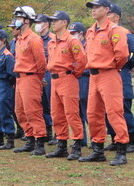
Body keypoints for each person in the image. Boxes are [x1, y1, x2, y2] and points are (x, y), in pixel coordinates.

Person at [78, 0, 130, 166]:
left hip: (109, 74)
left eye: (97, 7)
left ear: (107, 9)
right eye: (92, 7)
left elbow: (122, 55)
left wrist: (111, 67)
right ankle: (97, 149)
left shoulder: (115, 30)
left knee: (114, 112)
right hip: (93, 76)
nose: (93, 9)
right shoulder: (90, 31)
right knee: (93, 114)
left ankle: (121, 149)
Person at [46, 11, 86, 160]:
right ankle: (61, 144)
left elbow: (81, 61)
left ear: (64, 22)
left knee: (71, 113)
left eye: (56, 20)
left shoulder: (72, 41)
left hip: (67, 78)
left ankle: (76, 145)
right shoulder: (51, 42)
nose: (53, 23)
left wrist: (74, 74)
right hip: (54, 80)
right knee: (56, 114)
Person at [105, 4, 134, 153]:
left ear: (116, 17)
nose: (106, 17)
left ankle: (131, 140)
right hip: (106, 75)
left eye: (109, 14)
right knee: (108, 109)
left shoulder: (123, 32)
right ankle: (115, 139)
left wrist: (126, 65)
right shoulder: (103, 32)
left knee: (123, 107)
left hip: (120, 74)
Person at [12, 6, 47, 156]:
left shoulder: (34, 39)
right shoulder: (19, 39)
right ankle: (30, 138)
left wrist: (36, 79)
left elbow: (41, 63)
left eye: (19, 18)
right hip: (20, 78)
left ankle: (39, 141)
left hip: (30, 77)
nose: (16, 21)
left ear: (27, 20)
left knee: (32, 111)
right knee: (20, 111)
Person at [33, 14, 57, 145]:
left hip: (50, 73)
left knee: (53, 104)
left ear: (46, 24)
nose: (37, 24)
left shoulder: (53, 38)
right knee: (41, 104)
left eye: (39, 22)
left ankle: (57, 133)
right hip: (38, 73)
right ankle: (46, 130)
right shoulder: (36, 39)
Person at [69, 22, 90, 147]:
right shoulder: (72, 45)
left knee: (88, 111)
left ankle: (96, 139)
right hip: (74, 78)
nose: (72, 35)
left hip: (85, 78)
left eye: (73, 33)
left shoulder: (87, 45)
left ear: (81, 33)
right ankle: (81, 138)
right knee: (76, 111)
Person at [6, 18, 24, 139]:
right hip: (15, 77)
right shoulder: (13, 42)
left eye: (14, 27)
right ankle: (21, 128)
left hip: (26, 77)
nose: (12, 30)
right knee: (16, 106)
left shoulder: (26, 40)